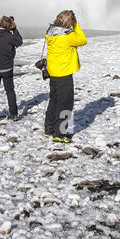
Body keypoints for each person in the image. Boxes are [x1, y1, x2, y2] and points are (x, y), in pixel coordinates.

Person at [43, 9, 86, 143]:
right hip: (64, 74)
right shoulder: (68, 36)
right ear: (70, 22)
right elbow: (83, 40)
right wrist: (76, 25)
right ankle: (60, 134)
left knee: (54, 101)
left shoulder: (51, 33)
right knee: (66, 104)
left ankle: (49, 130)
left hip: (53, 73)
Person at [0, 15, 23, 122]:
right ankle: (14, 114)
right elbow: (19, 42)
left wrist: (8, 26)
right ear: (9, 26)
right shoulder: (9, 36)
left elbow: (0, 33)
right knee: (10, 91)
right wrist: (14, 29)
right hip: (7, 68)